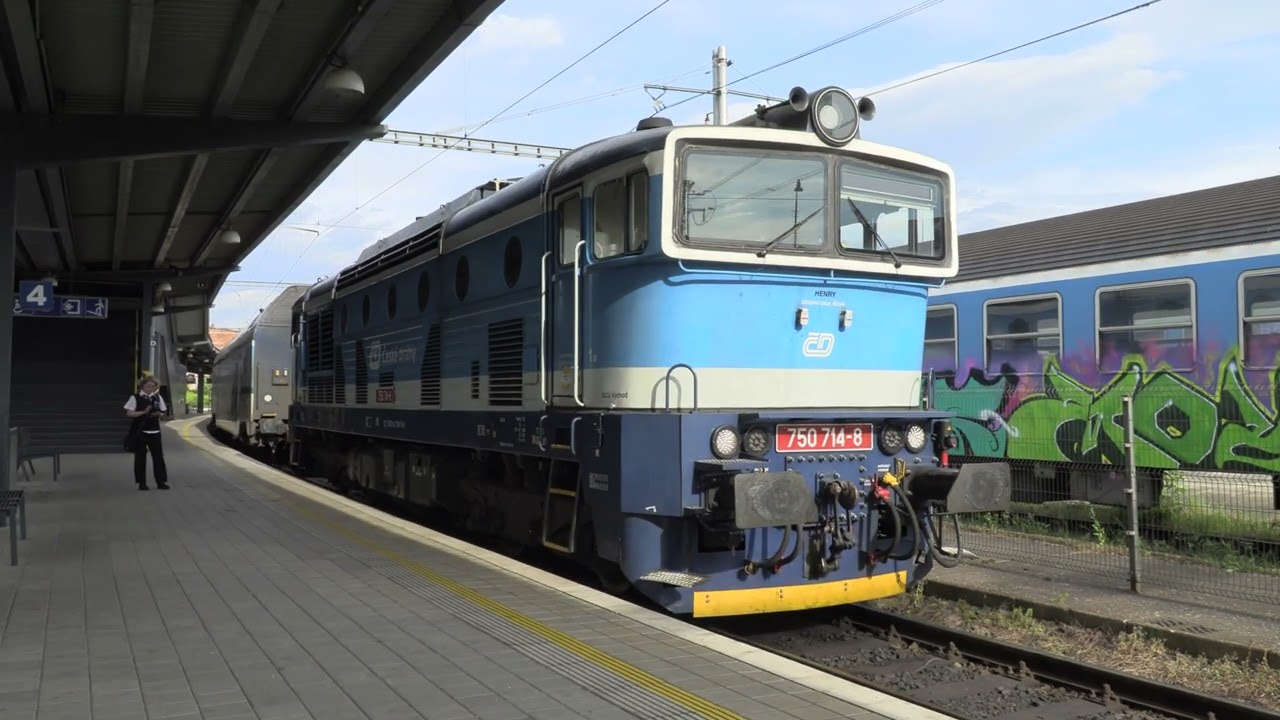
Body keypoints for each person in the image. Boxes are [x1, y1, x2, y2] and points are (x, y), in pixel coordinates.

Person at [125, 376, 169, 490]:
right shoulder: (135, 398)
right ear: (142, 386)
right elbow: (129, 414)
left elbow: (163, 412)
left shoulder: (158, 398)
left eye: (153, 386)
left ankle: (161, 482)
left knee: (158, 457)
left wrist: (158, 414)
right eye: (148, 386)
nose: (151, 388)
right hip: (140, 431)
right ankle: (142, 483)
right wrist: (144, 412)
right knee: (140, 457)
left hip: (155, 431)